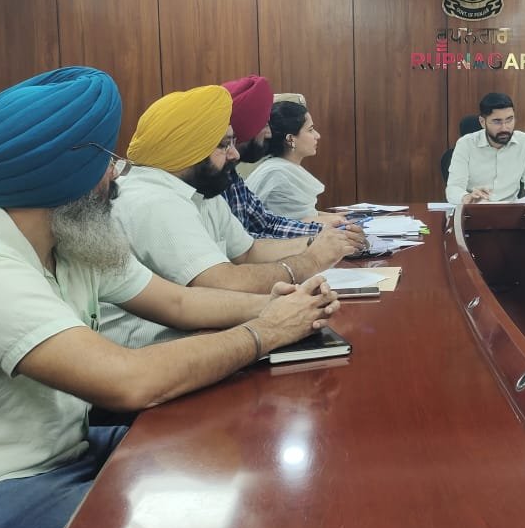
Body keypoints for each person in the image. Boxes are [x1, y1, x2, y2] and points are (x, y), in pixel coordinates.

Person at [0, 67, 339, 528]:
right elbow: (129, 382)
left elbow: (180, 302)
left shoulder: (73, 235)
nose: (117, 172)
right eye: (105, 159)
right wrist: (265, 332)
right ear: (61, 176)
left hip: (65, 452)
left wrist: (276, 308)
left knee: (242, 463)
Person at [102, 85, 356, 348]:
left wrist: (317, 243)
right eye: (224, 145)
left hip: (206, 335)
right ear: (187, 149)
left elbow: (248, 251)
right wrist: (310, 262)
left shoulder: (201, 188)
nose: (235, 154)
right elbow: (222, 283)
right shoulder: (154, 200)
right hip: (156, 351)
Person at [221, 76, 364, 246]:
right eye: (264, 125)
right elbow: (242, 246)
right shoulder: (215, 184)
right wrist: (317, 242)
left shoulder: (232, 179)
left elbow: (267, 223)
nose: (269, 134)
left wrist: (327, 232)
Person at [444, 92, 525, 206]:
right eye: (497, 121)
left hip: (511, 211)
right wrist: (467, 198)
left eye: (509, 120)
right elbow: (454, 188)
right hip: (475, 209)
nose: (505, 128)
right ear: (483, 122)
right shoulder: (466, 144)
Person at [245, 98, 335, 222]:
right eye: (310, 130)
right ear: (290, 139)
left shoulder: (284, 167)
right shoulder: (277, 172)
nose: (317, 136)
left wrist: (344, 216)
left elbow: (308, 214)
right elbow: (297, 222)